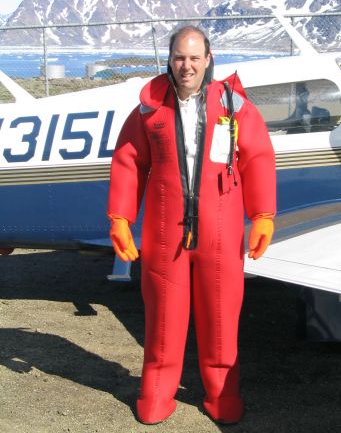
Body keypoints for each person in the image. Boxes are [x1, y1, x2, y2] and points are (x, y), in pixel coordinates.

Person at [107, 26, 276, 425]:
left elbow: (258, 158)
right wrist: (120, 216)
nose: (187, 65)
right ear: (169, 60)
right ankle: (155, 395)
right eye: (180, 57)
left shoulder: (234, 106)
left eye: (194, 57)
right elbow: (129, 161)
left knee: (220, 318)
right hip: (165, 231)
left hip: (223, 228)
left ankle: (222, 394)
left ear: (208, 58)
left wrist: (263, 215)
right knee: (163, 318)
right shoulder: (149, 111)